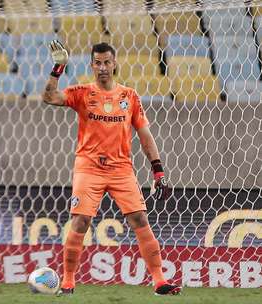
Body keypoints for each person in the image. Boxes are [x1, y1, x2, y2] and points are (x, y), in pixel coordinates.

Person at [42, 40, 181, 296]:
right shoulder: (83, 92)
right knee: (81, 221)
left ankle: (160, 281)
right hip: (89, 168)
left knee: (140, 218)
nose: (103, 67)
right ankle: (68, 282)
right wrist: (58, 67)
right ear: (91, 65)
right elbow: (49, 96)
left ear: (114, 63)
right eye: (98, 63)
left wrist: (158, 170)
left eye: (107, 62)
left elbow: (144, 133)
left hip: (121, 169)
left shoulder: (129, 96)